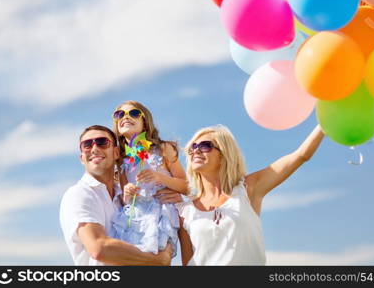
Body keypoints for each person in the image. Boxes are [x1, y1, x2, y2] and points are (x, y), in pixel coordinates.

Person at [177, 124, 325, 265]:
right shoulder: (185, 212)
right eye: (192, 147)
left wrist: (325, 122)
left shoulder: (248, 189)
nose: (196, 150)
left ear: (224, 154)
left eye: (205, 146)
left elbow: (301, 155)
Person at [59, 125, 173, 265]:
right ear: (82, 158)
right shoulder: (79, 193)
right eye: (87, 145)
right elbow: (99, 248)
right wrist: (158, 259)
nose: (94, 148)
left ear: (116, 153)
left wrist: (174, 198)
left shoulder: (125, 196)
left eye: (102, 142)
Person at [110, 101, 188, 258]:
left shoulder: (163, 149)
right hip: (136, 218)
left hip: (160, 215)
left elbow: (186, 186)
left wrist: (160, 177)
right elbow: (126, 200)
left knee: (158, 257)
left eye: (133, 113)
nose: (126, 117)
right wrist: (127, 193)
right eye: (120, 115)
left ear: (145, 122)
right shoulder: (122, 160)